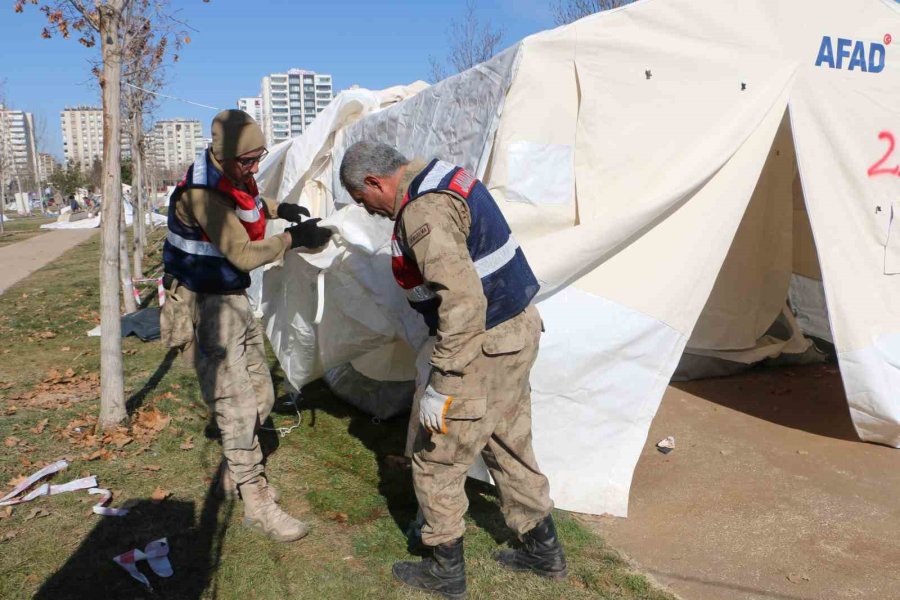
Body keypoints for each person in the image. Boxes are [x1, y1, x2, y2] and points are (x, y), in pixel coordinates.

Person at [339, 142, 567, 598]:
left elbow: (463, 303)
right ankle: (543, 551)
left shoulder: (424, 211)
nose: (375, 212)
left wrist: (443, 382)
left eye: (367, 202)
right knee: (508, 441)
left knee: (437, 457)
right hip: (516, 332)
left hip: (482, 344)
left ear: (374, 181)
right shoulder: (442, 175)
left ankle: (445, 569)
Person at [161, 109, 332, 543]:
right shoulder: (202, 195)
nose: (255, 168)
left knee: (261, 395)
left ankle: (234, 466)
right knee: (236, 406)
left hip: (232, 300)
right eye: (248, 161)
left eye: (260, 158)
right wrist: (294, 239)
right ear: (224, 156)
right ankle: (257, 502)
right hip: (205, 307)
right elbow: (242, 254)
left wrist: (281, 208)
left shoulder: (234, 176)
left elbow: (252, 204)